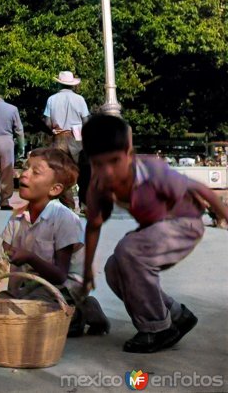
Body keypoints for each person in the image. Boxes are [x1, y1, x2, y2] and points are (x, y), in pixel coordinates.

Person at [82, 114, 228, 353]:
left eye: (114, 161)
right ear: (90, 161)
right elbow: (93, 225)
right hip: (154, 229)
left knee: (128, 250)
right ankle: (175, 314)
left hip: (185, 223)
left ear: (129, 152)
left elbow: (204, 191)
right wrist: (88, 269)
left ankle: (157, 328)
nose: (108, 171)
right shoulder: (99, 186)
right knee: (114, 267)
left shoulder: (152, 170)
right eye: (99, 164)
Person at [0, 148, 109, 336]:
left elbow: (60, 275)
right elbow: (8, 261)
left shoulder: (64, 219)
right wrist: (12, 294)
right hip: (34, 284)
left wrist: (29, 257)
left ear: (55, 189)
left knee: (32, 318)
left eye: (36, 172)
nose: (24, 174)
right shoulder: (17, 217)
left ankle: (82, 311)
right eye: (26, 168)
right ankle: (63, 313)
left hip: (65, 286)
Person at [44, 71, 90, 210]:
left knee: (61, 173)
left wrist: (53, 129)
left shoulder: (51, 99)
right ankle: (84, 204)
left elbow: (47, 122)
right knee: (83, 172)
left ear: (59, 83)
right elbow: (86, 120)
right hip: (77, 139)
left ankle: (68, 205)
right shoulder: (80, 99)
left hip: (59, 138)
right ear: (72, 85)